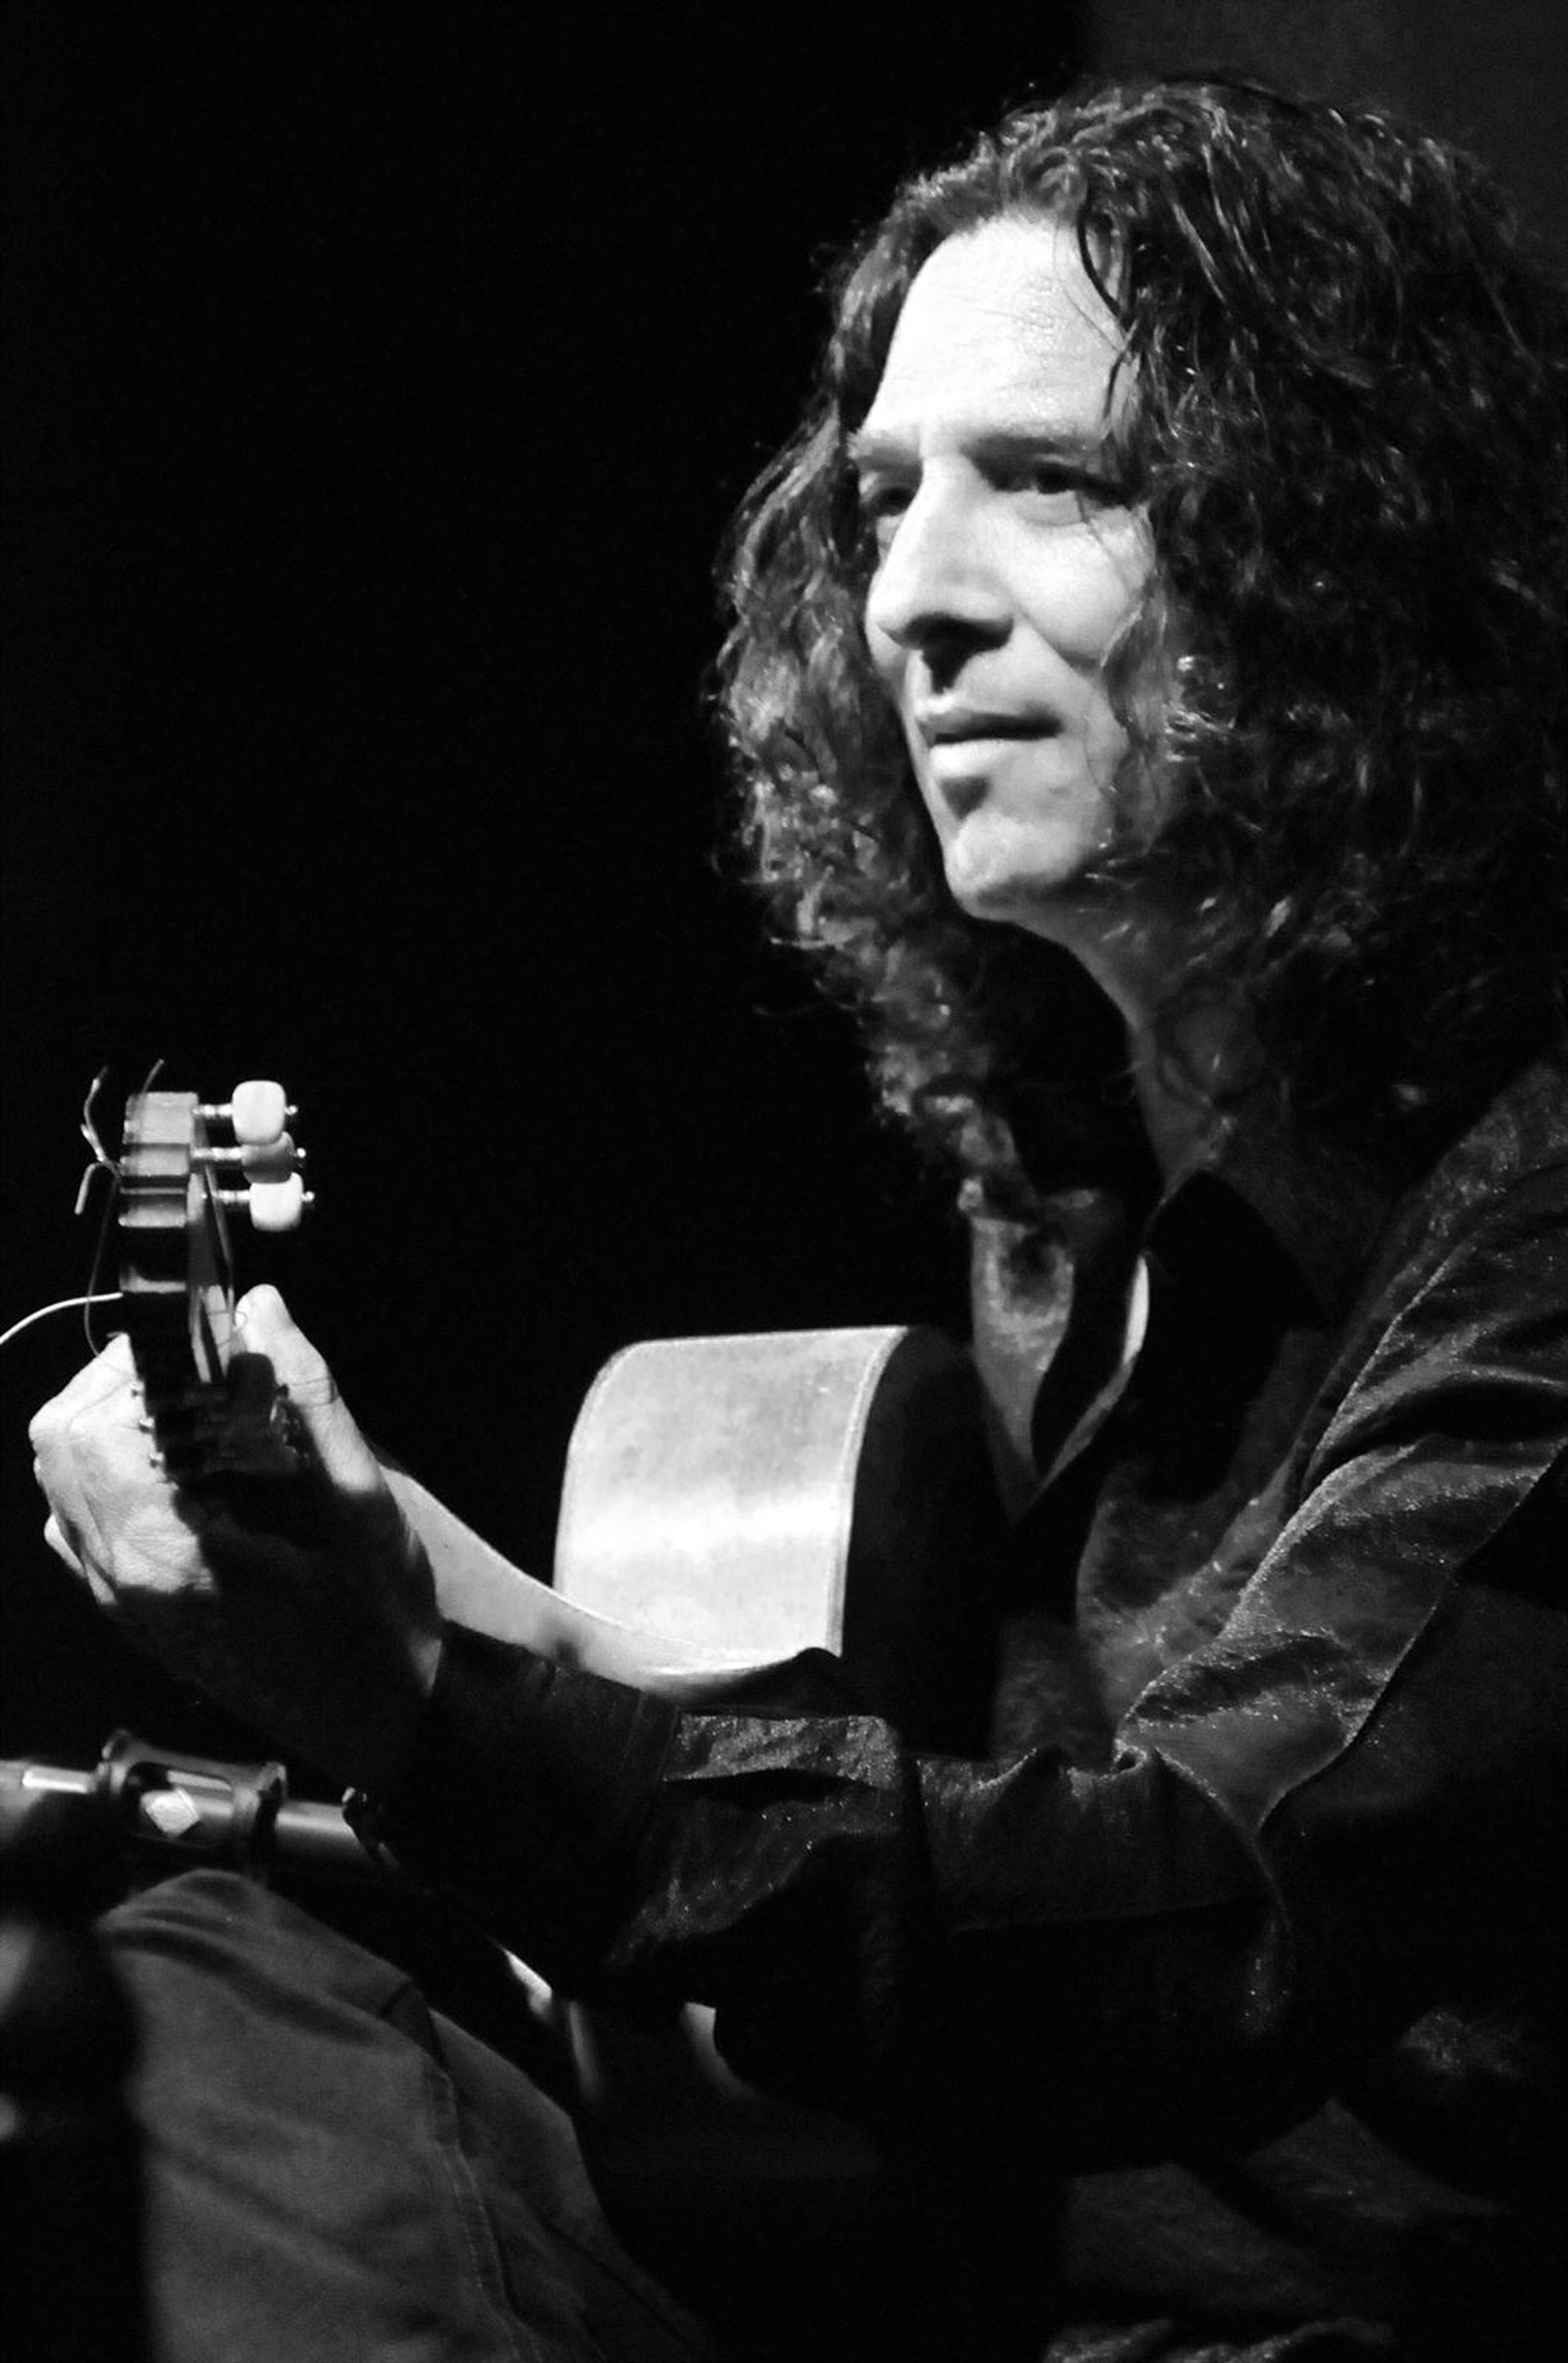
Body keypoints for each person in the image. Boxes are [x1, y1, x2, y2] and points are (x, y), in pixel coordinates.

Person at [27, 74, 1568, 2363]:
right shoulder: (1069, 1152)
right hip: (941, 2288)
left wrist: (421, 1698)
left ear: (1349, 549)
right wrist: (411, 1594)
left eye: (1053, 481)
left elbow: (1191, 1916)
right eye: (882, 500)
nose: (915, 595)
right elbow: (908, 1809)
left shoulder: (1530, 1220)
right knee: (181, 1997)